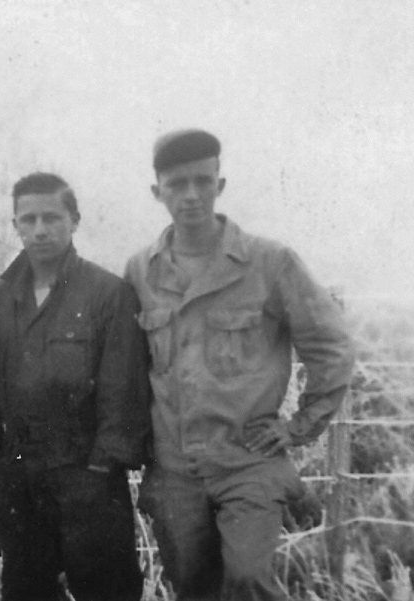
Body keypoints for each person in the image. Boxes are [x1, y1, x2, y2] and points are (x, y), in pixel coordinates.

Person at [125, 129, 355, 600]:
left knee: (249, 578)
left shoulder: (269, 262)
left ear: (220, 184)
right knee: (193, 587)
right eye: (177, 184)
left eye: (202, 181)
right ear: (157, 193)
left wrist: (299, 425)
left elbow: (332, 346)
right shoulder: (139, 271)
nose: (191, 195)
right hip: (175, 470)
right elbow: (126, 368)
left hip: (248, 462)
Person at [0, 172, 151, 601]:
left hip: (87, 474)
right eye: (28, 219)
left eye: (52, 217)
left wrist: (104, 465)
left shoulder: (107, 293)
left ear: (75, 220)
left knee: (106, 588)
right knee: (26, 587)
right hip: (16, 475)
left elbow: (121, 387)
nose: (40, 229)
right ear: (15, 225)